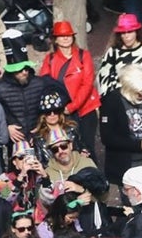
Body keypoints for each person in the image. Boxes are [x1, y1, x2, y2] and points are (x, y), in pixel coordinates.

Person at [38, 21, 100, 159]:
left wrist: (72, 107)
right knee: (67, 148)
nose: (66, 38)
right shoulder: (50, 59)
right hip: (63, 112)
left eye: (68, 35)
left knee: (87, 148)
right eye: (61, 35)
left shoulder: (84, 55)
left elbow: (87, 83)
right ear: (56, 39)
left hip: (85, 109)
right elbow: (45, 84)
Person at [95, 13, 142, 100]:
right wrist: (111, 99)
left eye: (130, 32)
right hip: (122, 102)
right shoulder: (113, 53)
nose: (126, 36)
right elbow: (104, 76)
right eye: (123, 33)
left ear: (137, 32)